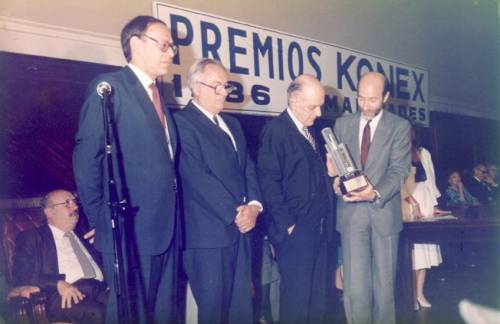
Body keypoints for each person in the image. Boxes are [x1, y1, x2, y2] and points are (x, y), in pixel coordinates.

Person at [73, 15, 179, 323]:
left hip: (167, 229)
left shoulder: (160, 96)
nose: (171, 53)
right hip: (129, 232)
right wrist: (100, 219)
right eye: (164, 45)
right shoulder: (110, 88)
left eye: (171, 46)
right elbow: (86, 158)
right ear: (135, 44)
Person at [174, 58, 262, 324]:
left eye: (226, 86)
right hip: (208, 238)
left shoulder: (233, 125)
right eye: (217, 86)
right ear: (196, 87)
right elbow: (197, 176)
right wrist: (237, 213)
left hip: (241, 233)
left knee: (241, 312)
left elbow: (248, 168)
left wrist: (255, 206)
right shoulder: (181, 123)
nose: (224, 92)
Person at [332, 72, 411, 324]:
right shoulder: (342, 125)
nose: (366, 105)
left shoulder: (399, 127)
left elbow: (399, 171)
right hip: (352, 216)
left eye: (373, 100)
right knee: (355, 290)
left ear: (385, 97)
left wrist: (375, 192)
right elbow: (339, 169)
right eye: (361, 99)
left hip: (383, 213)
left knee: (384, 290)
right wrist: (335, 182)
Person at [257, 74, 335, 324]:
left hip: (320, 230)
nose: (319, 112)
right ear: (294, 100)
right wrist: (289, 225)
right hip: (297, 232)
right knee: (297, 304)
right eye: (313, 106)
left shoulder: (311, 133)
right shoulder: (276, 131)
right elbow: (269, 183)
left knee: (317, 301)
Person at [12, 190, 108, 323]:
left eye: (75, 202)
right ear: (49, 212)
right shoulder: (32, 237)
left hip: (98, 288)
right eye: (67, 203)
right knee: (97, 312)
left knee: (125, 304)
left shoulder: (86, 233)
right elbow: (21, 275)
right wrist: (58, 283)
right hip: (61, 296)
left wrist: (106, 239)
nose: (75, 207)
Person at [400, 126, 449, 310]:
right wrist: (412, 202)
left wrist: (435, 206)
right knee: (413, 256)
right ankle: (411, 295)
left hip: (426, 203)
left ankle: (420, 293)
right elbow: (399, 185)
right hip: (408, 204)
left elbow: (431, 181)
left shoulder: (424, 152)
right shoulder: (396, 152)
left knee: (425, 256)